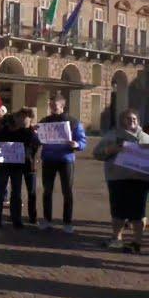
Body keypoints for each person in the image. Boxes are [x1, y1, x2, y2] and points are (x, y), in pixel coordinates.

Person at [93, 108, 149, 254]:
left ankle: (137, 242)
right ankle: (116, 239)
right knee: (118, 211)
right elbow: (97, 153)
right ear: (121, 120)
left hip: (140, 180)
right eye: (128, 119)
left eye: (134, 119)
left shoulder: (146, 138)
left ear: (138, 121)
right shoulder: (111, 136)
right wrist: (110, 150)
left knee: (138, 213)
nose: (132, 121)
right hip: (117, 178)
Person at [38, 93, 87, 233]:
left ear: (62, 105)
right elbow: (38, 139)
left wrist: (77, 144)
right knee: (47, 190)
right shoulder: (45, 121)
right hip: (48, 159)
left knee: (67, 191)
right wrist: (36, 133)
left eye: (55, 105)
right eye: (51, 105)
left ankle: (67, 222)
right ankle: (47, 220)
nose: (52, 107)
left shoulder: (73, 122)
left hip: (66, 159)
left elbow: (82, 140)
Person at [0, 113, 39, 228]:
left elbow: (35, 142)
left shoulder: (24, 132)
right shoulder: (1, 132)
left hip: (17, 167)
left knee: (16, 194)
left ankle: (16, 219)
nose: (14, 128)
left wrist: (32, 130)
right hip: (4, 166)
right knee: (0, 194)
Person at [17, 108, 40, 223]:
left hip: (30, 167)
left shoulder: (35, 134)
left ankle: (32, 216)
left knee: (31, 192)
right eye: (20, 117)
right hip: (17, 166)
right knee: (16, 192)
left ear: (30, 118)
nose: (21, 119)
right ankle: (16, 215)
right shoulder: (15, 132)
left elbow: (38, 150)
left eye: (24, 117)